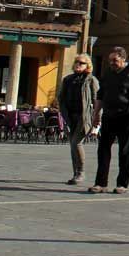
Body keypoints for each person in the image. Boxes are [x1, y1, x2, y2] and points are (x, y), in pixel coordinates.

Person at [90, 47, 129, 194]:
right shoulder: (109, 72)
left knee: (125, 151)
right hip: (109, 115)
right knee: (103, 150)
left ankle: (122, 184)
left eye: (115, 60)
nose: (112, 63)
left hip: (127, 116)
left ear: (123, 59)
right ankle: (100, 183)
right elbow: (101, 93)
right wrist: (96, 113)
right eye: (110, 60)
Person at [57, 54, 98, 185]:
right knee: (72, 144)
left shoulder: (91, 80)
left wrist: (97, 120)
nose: (78, 64)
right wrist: (63, 114)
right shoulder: (68, 79)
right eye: (76, 62)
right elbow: (61, 98)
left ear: (88, 66)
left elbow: (97, 100)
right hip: (70, 116)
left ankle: (81, 172)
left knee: (76, 143)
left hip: (84, 116)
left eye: (81, 63)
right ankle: (75, 172)